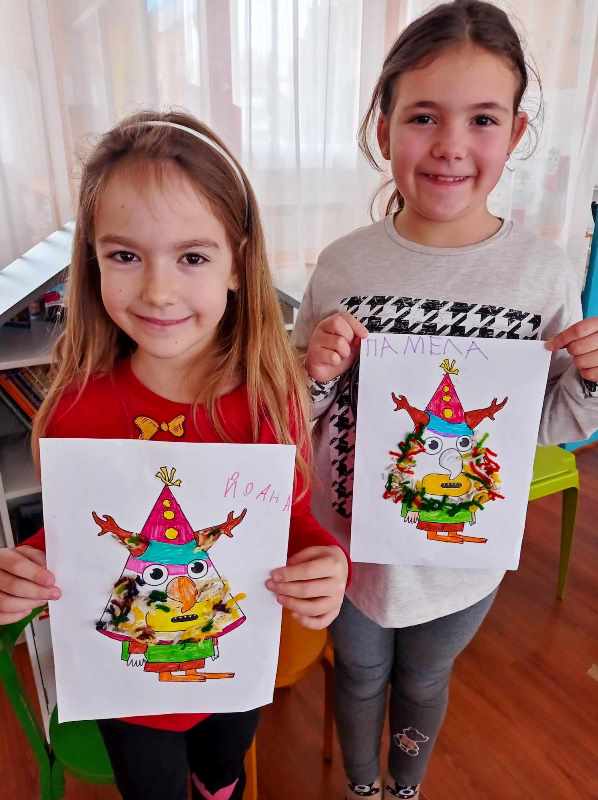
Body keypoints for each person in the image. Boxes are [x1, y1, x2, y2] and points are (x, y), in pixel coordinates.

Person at [293, 2, 598, 798]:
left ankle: (405, 786)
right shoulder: (343, 264)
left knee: (425, 680)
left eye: (483, 119)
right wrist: (315, 371)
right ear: (384, 127)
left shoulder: (542, 273)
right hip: (348, 545)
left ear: (516, 133)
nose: (451, 145)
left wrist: (592, 380)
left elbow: (552, 423)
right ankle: (363, 787)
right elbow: (295, 409)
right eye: (423, 116)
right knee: (359, 674)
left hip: (461, 559)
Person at [0, 110, 349, 800]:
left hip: (231, 666)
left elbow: (289, 519)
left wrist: (324, 562)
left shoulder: (268, 396)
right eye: (125, 256)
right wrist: (25, 572)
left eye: (191, 257)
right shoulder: (74, 407)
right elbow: (73, 537)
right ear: (92, 261)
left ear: (236, 264)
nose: (157, 291)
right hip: (128, 692)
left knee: (221, 773)